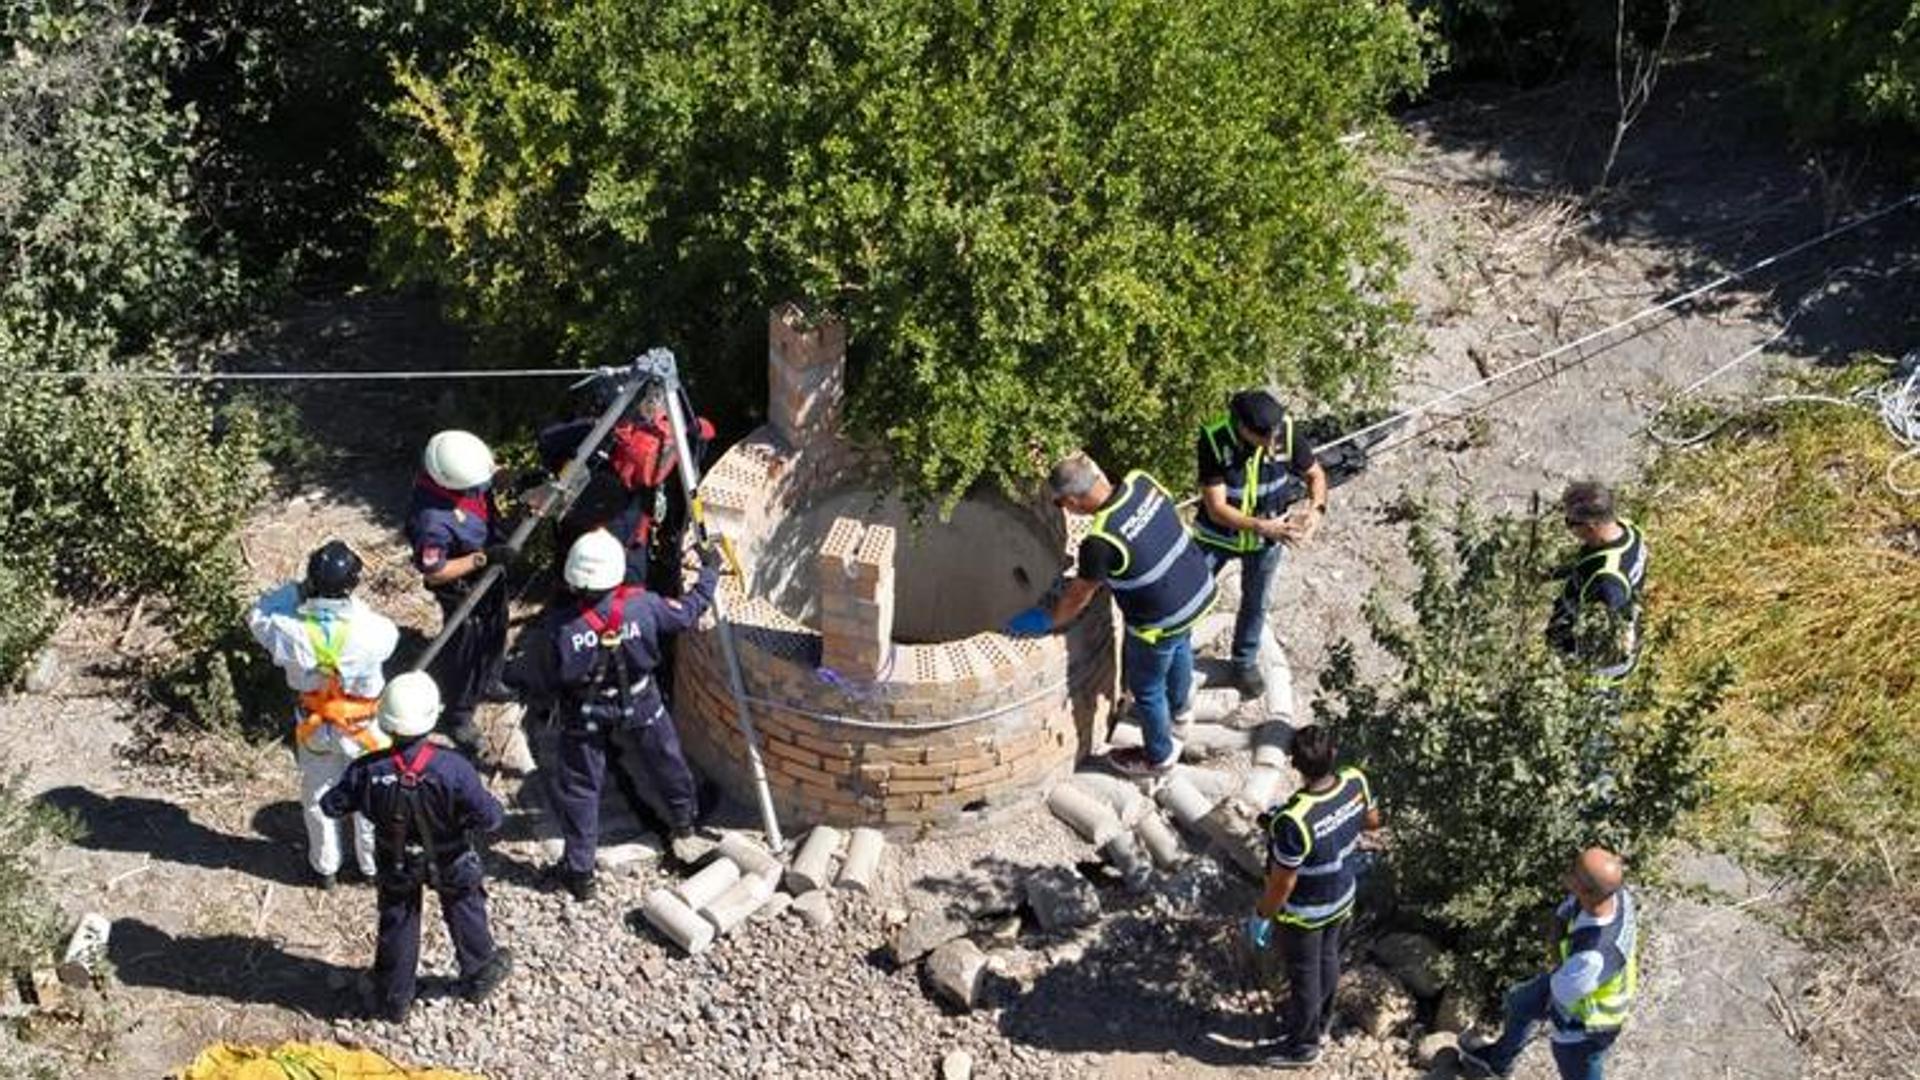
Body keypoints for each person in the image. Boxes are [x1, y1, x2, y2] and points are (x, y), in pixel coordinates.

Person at [508, 528, 720, 899]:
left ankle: (580, 871)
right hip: (642, 703)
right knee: (666, 760)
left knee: (580, 788)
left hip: (585, 714)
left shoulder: (558, 629)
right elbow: (687, 613)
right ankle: (685, 822)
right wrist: (710, 573)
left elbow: (536, 677)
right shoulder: (646, 606)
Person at [1004, 454, 1217, 776]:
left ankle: (1158, 756)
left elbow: (1079, 596)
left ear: (1074, 500)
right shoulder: (1142, 481)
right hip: (1195, 589)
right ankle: (1182, 712)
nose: (1064, 510)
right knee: (1180, 646)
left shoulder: (1100, 542)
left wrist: (1049, 620)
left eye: (1062, 504)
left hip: (1157, 621)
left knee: (1147, 687)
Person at [321, 671, 511, 1024]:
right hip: (451, 854)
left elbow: (332, 806)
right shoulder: (455, 768)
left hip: (396, 859)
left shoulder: (367, 769)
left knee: (398, 919)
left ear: (385, 721)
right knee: (465, 906)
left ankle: (394, 997)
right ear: (432, 715)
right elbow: (490, 819)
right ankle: (480, 971)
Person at [246, 541, 399, 889]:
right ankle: (371, 867)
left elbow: (257, 614)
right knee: (370, 799)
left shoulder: (288, 631)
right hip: (362, 729)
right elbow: (387, 636)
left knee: (317, 796)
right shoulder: (374, 631)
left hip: (315, 727)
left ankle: (325, 867)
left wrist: (296, 591)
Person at [1244, 725, 1382, 1069]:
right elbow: (1373, 821)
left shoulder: (1294, 821)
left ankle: (1303, 1047)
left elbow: (1282, 885)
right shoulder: (1355, 781)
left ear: (1295, 764)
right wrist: (1336, 829)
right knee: (1329, 959)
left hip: (1304, 913)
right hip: (1343, 896)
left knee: (1304, 975)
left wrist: (1262, 915)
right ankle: (1321, 1022)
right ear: (1333, 754)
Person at [1192, 389, 1329, 698]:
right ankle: (1180, 657)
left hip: (1268, 538)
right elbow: (1217, 508)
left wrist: (1315, 511)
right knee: (1192, 596)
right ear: (1242, 427)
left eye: (1274, 435)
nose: (1272, 443)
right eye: (1263, 437)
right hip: (1217, 537)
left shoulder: (1283, 432)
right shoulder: (1215, 441)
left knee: (1257, 601)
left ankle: (1243, 663)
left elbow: (1315, 475)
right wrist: (1261, 526)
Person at [1460, 848, 1638, 1080]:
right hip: (1571, 980)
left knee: (1576, 1064)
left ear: (1586, 890)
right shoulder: (1613, 895)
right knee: (1520, 1002)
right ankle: (1497, 1063)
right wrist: (1557, 936)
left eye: (1574, 870)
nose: (1568, 869)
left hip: (1589, 1022)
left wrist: (1558, 1024)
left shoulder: (1594, 955)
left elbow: (1562, 998)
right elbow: (1568, 909)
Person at [535, 382, 714, 597]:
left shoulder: (593, 432)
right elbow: (703, 432)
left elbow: (547, 439)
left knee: (575, 586)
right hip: (635, 527)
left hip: (587, 528)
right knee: (630, 592)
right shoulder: (668, 435)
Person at [406, 429, 517, 754]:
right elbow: (436, 572)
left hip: (490, 567)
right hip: (462, 585)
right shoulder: (432, 521)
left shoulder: (462, 461)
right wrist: (480, 558)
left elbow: (492, 474)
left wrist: (517, 480)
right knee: (467, 647)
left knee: (498, 625)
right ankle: (459, 715)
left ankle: (492, 679)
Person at [1545, 482, 1647, 685]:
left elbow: (1605, 636)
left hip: (1602, 670)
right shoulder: (1629, 531)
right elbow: (1591, 563)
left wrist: (1575, 671)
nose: (1569, 529)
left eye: (1570, 523)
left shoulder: (1606, 585)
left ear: (1591, 525)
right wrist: (1552, 574)